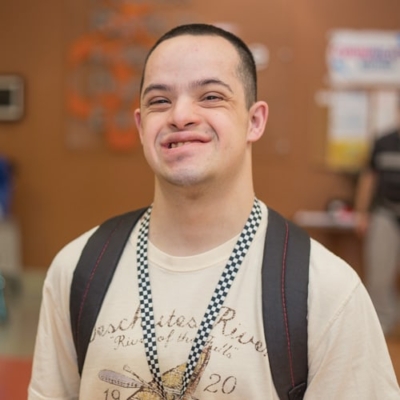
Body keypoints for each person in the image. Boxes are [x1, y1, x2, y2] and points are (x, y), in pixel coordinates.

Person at [29, 23, 400, 399]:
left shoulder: (325, 291)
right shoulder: (78, 269)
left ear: (254, 121)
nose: (180, 115)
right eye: (159, 100)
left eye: (210, 97)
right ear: (141, 126)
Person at [355, 118, 400, 336]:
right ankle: (381, 324)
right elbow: (368, 178)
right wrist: (361, 213)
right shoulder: (383, 142)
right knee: (378, 275)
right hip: (385, 214)